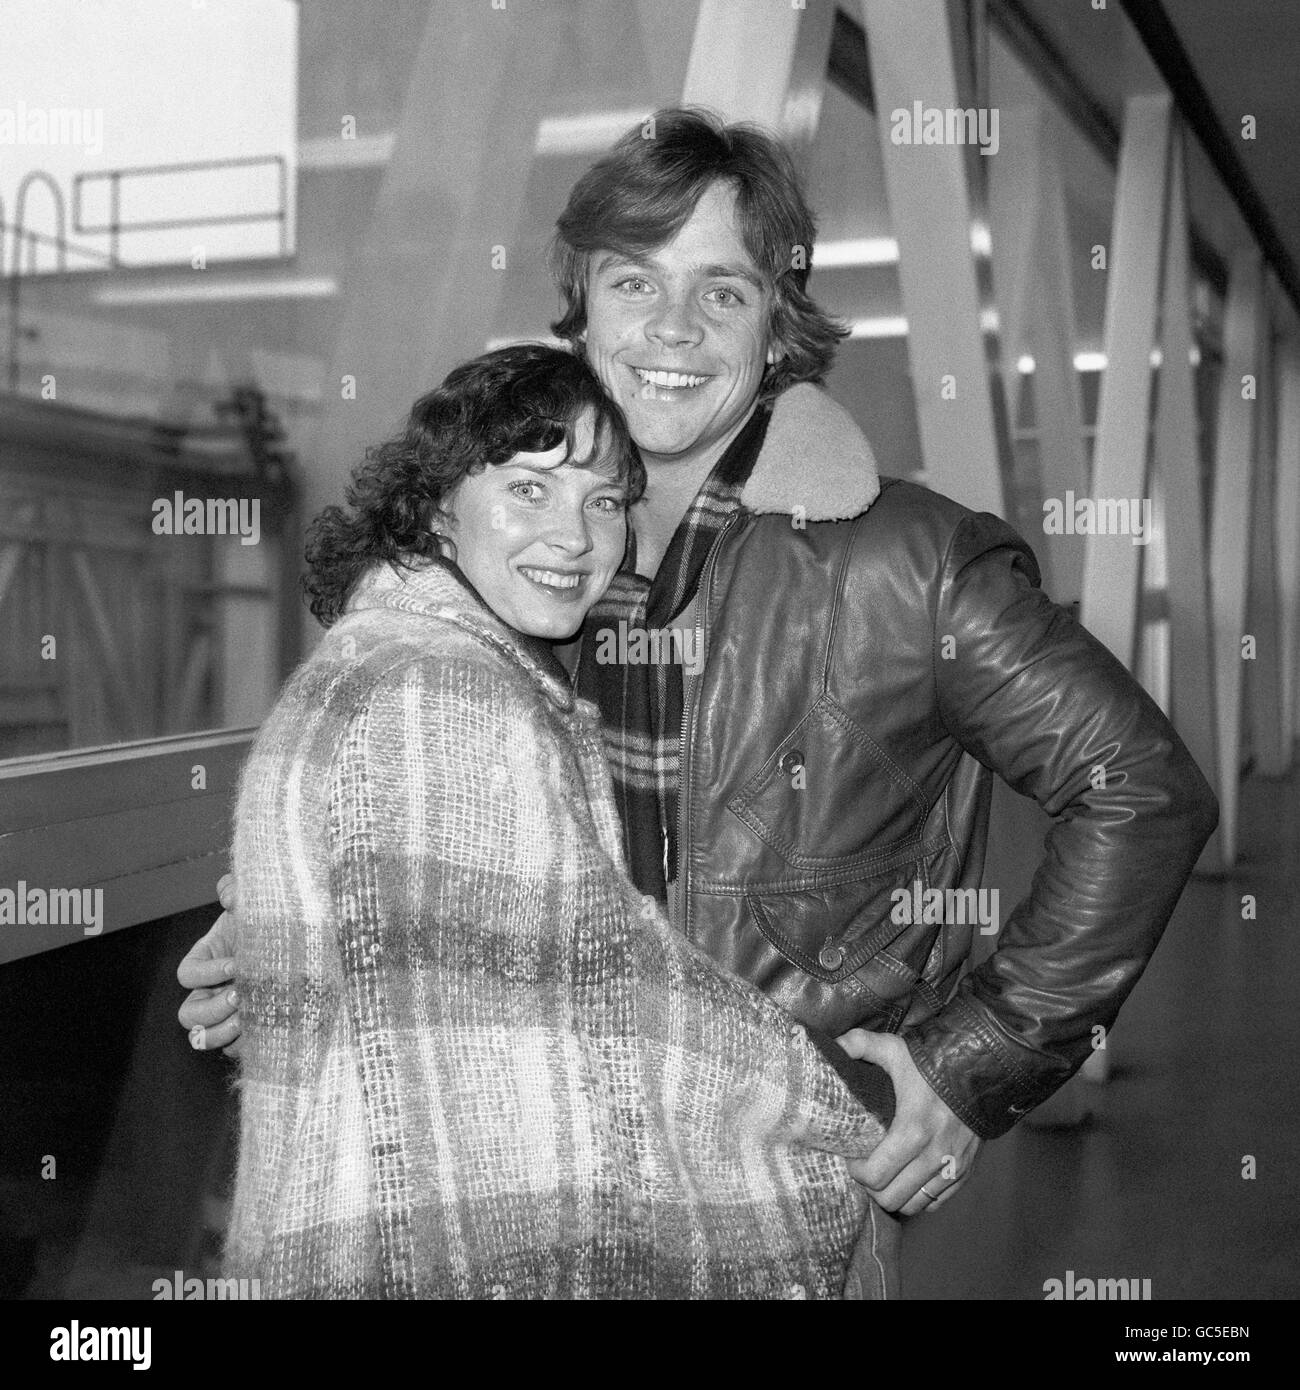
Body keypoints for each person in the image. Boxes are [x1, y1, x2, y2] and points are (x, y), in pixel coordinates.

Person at [183, 108, 1218, 1295]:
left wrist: (978, 1059)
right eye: (636, 282)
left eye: (721, 293)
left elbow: (1140, 787)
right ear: (582, 304)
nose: (671, 328)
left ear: (777, 326)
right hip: (534, 1172)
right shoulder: (536, 558)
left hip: (767, 1186)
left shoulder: (906, 560)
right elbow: (470, 810)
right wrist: (317, 912)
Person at [220, 343, 888, 1299]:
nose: (575, 538)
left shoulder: (378, 653)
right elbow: (604, 988)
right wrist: (850, 1097)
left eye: (604, 502)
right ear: (438, 501)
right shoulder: (441, 690)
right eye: (530, 490)